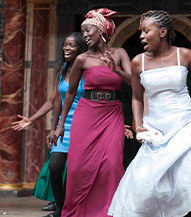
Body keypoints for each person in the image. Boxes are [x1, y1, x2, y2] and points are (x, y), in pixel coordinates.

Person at [108, 10, 191, 217]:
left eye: (146, 31)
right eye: (140, 32)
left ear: (163, 31)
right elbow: (137, 97)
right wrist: (139, 125)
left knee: (186, 182)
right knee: (147, 185)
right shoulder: (139, 62)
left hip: (187, 125)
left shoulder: (183, 55)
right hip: (157, 129)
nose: (141, 36)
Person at [54, 8, 131, 217]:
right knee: (79, 167)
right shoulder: (82, 59)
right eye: (83, 32)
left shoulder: (120, 54)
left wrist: (115, 69)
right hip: (86, 113)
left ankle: (110, 211)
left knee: (112, 164)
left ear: (101, 29)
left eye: (88, 30)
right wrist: (60, 125)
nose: (85, 35)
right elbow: (70, 93)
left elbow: (136, 83)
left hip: (112, 114)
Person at [12, 32, 88, 217]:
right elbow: (54, 102)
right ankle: (61, 208)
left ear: (80, 48)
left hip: (85, 124)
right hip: (64, 125)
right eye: (65, 45)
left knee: (78, 170)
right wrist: (33, 119)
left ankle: (78, 208)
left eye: (71, 45)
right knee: (55, 166)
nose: (66, 48)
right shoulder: (62, 69)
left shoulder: (88, 70)